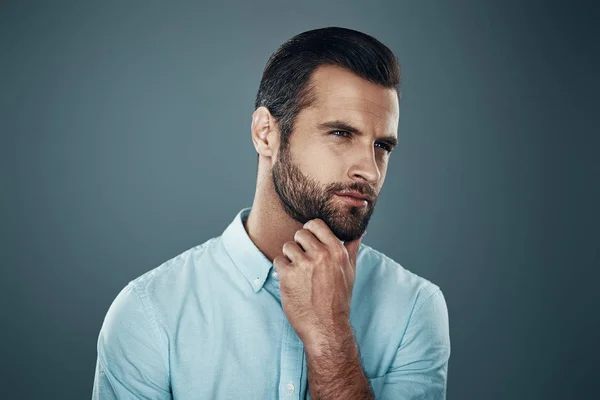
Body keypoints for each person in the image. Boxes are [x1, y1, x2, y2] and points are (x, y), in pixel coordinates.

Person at [92, 26, 450, 400]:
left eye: (382, 145)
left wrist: (331, 338)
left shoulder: (413, 307)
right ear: (266, 133)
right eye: (341, 134)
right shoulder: (150, 312)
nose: (370, 171)